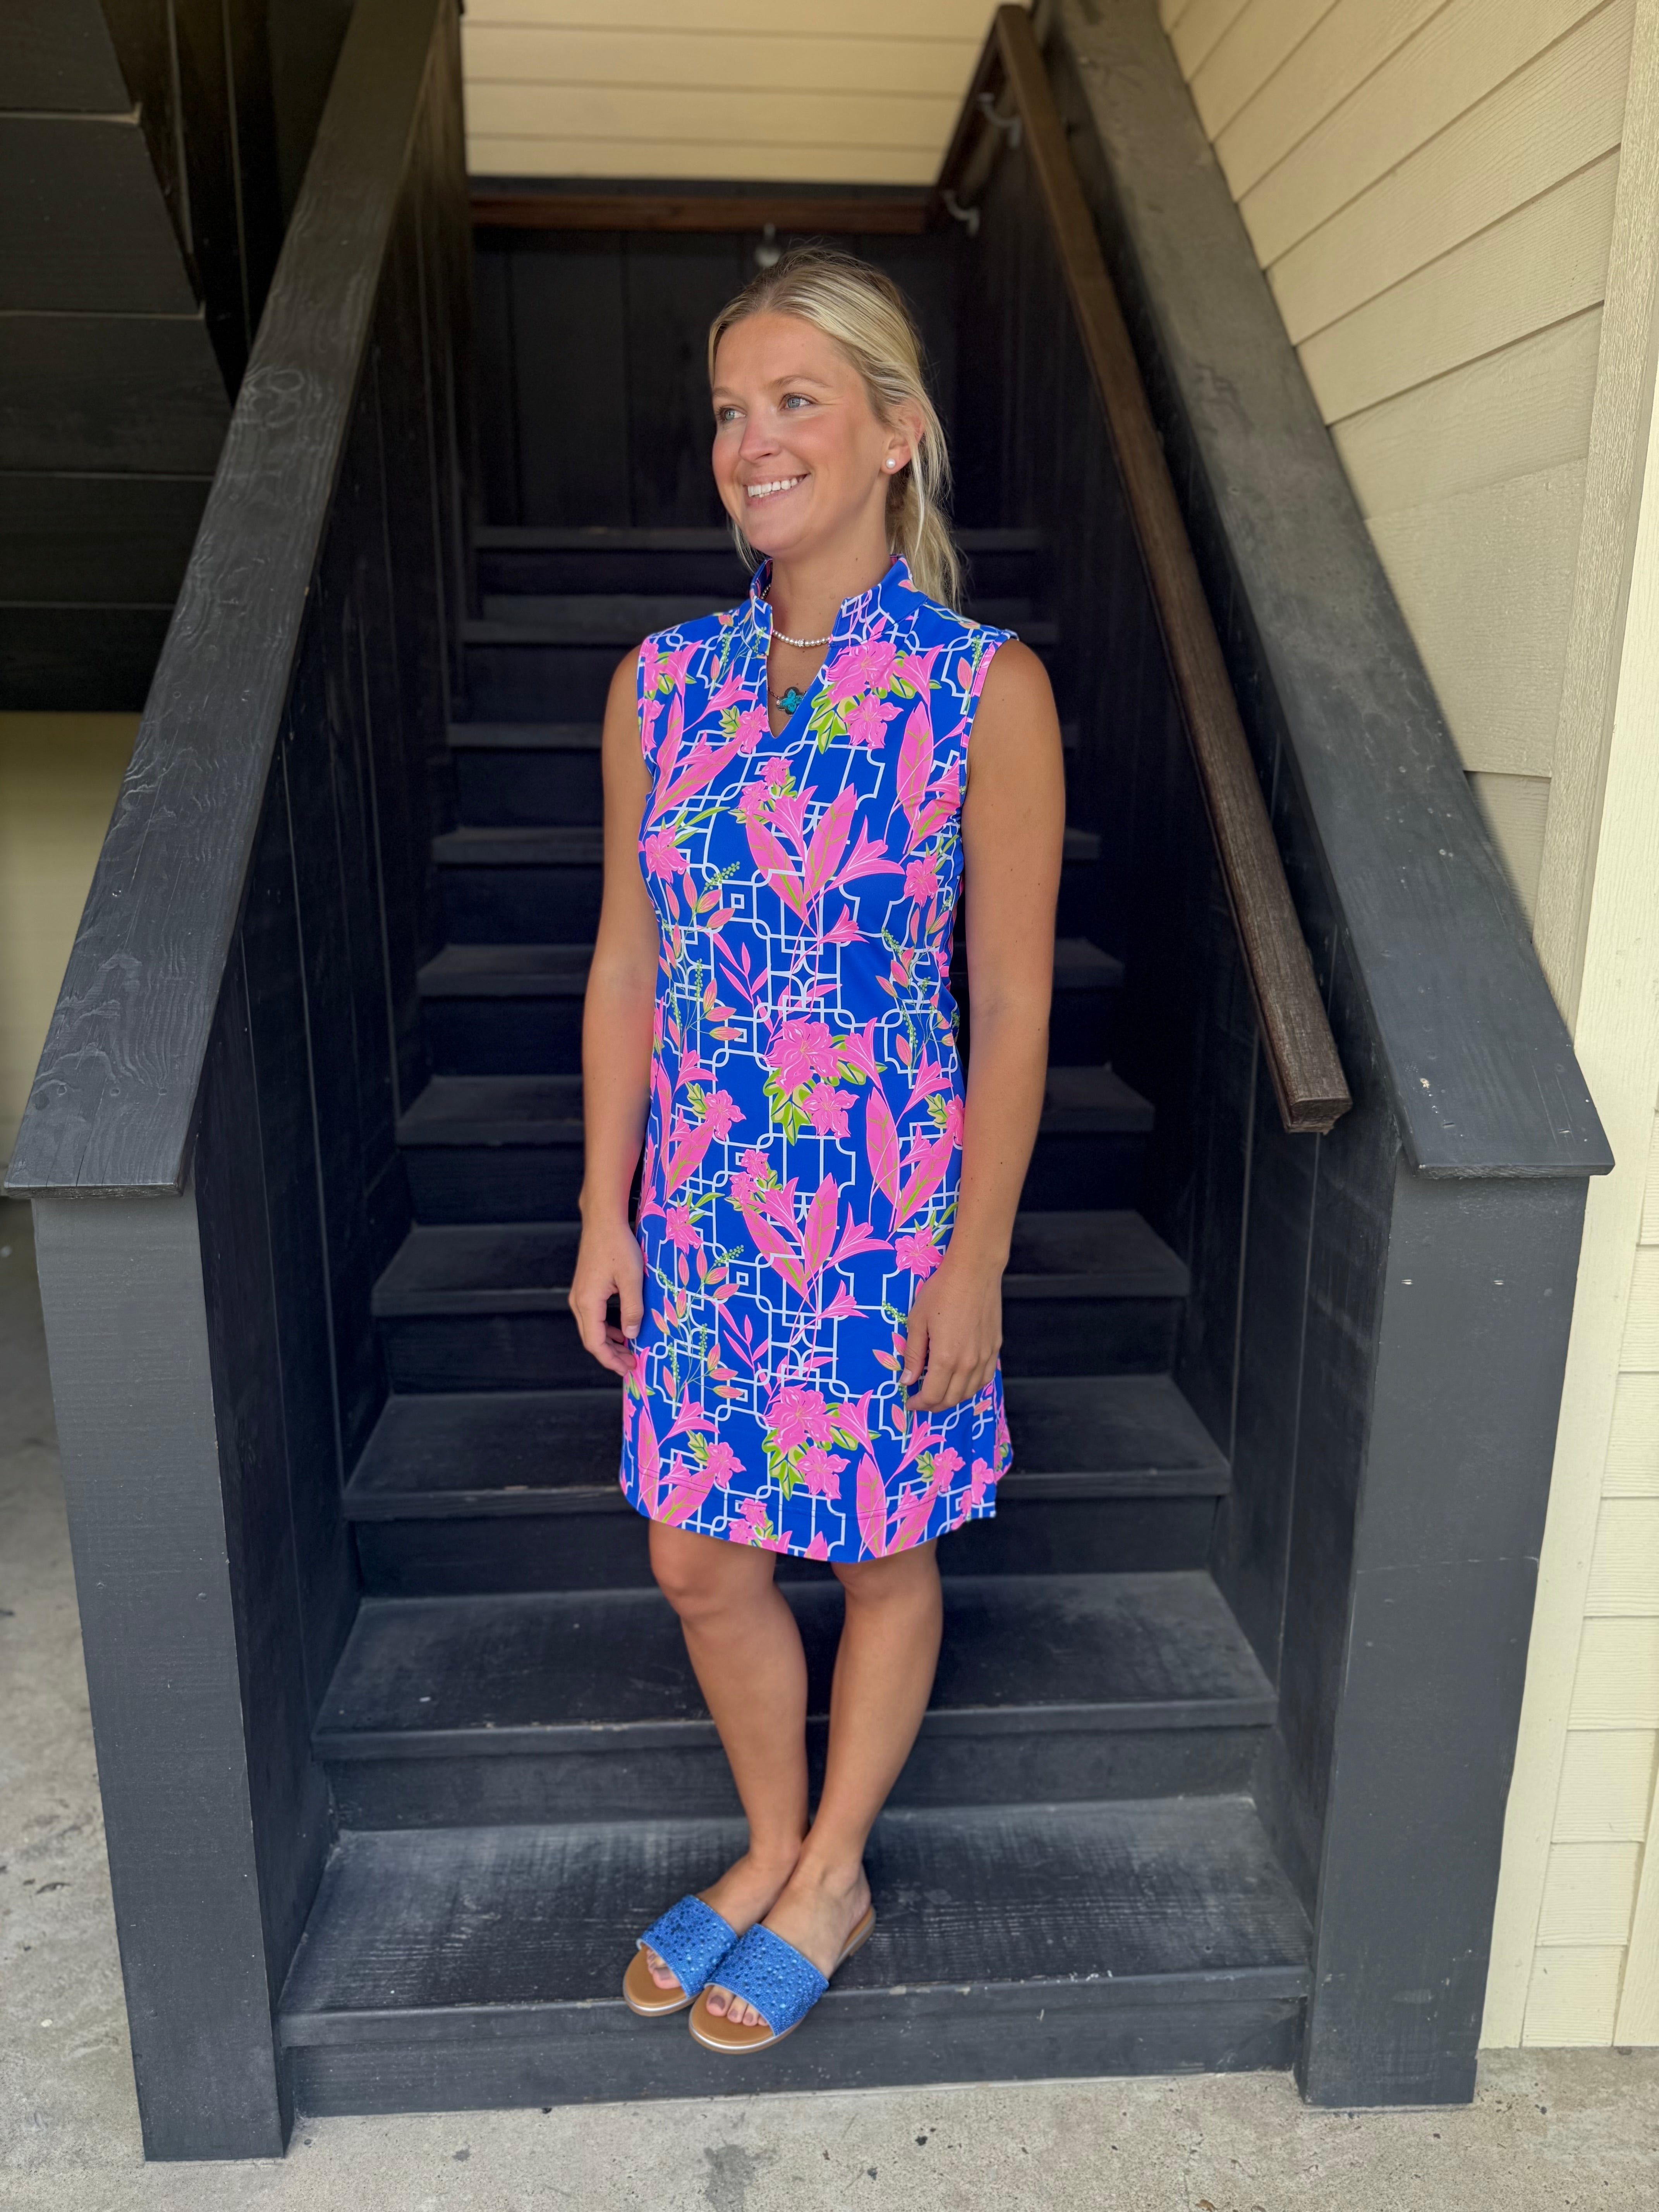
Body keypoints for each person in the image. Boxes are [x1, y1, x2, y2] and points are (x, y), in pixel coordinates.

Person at [571, 247, 1065, 2055]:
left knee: (878, 1551)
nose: (754, 442)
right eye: (731, 410)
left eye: (796, 401)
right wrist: (605, 1206)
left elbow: (1012, 1001)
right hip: (706, 1211)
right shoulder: (661, 684)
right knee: (699, 1558)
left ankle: (835, 1871)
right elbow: (629, 956)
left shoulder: (982, 689)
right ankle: (771, 1840)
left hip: (885, 1216)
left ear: (893, 433)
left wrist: (975, 1260)